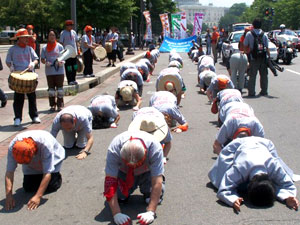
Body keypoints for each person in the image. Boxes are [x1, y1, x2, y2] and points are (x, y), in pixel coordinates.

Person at [208, 137, 299, 212]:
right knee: (218, 181)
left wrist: (288, 197)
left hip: (264, 144)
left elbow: (287, 184)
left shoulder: (273, 165)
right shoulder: (240, 168)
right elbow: (224, 188)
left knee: (281, 173)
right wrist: (233, 200)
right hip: (237, 145)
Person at [103, 131, 165, 225]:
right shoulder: (114, 149)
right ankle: (124, 194)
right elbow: (110, 181)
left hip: (146, 172)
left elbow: (157, 181)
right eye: (129, 164)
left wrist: (151, 211)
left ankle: (148, 193)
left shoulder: (155, 148)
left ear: (145, 153)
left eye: (137, 164)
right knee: (120, 197)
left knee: (155, 196)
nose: (134, 167)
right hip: (124, 172)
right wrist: (116, 213)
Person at [5, 130, 65, 211]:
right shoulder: (13, 147)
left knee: (51, 187)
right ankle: (37, 174)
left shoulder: (46, 145)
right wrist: (8, 196)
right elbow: (9, 173)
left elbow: (47, 172)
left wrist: (38, 196)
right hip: (32, 157)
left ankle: (57, 176)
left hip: (54, 157)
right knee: (29, 188)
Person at [6, 28, 40, 127]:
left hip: (29, 74)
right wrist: (11, 66)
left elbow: (36, 59)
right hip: (19, 75)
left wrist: (33, 63)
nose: (27, 39)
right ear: (19, 38)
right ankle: (17, 118)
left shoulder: (29, 48)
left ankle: (34, 116)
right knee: (18, 98)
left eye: (27, 38)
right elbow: (8, 61)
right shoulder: (12, 49)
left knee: (32, 97)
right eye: (24, 38)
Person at [244, 19, 270, 97]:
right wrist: (269, 57)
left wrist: (246, 53)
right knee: (264, 75)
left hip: (253, 57)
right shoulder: (264, 34)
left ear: (253, 25)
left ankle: (251, 92)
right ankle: (264, 91)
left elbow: (245, 45)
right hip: (263, 57)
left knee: (252, 75)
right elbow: (267, 46)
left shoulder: (249, 34)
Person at [41, 29, 65, 112]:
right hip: (49, 71)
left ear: (56, 36)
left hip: (59, 71)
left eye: (53, 35)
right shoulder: (44, 48)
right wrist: (45, 62)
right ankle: (52, 105)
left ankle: (60, 105)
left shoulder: (60, 46)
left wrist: (62, 62)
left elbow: (63, 56)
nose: (51, 37)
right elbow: (42, 59)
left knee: (60, 89)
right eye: (50, 35)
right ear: (48, 37)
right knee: (51, 90)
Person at [59, 20, 80, 85]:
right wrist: (62, 53)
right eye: (69, 25)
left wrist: (78, 50)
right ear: (66, 26)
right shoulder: (63, 33)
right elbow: (61, 43)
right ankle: (70, 80)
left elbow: (76, 42)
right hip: (67, 53)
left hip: (74, 53)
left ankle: (74, 79)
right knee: (69, 67)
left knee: (75, 66)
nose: (71, 26)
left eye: (72, 25)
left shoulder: (74, 32)